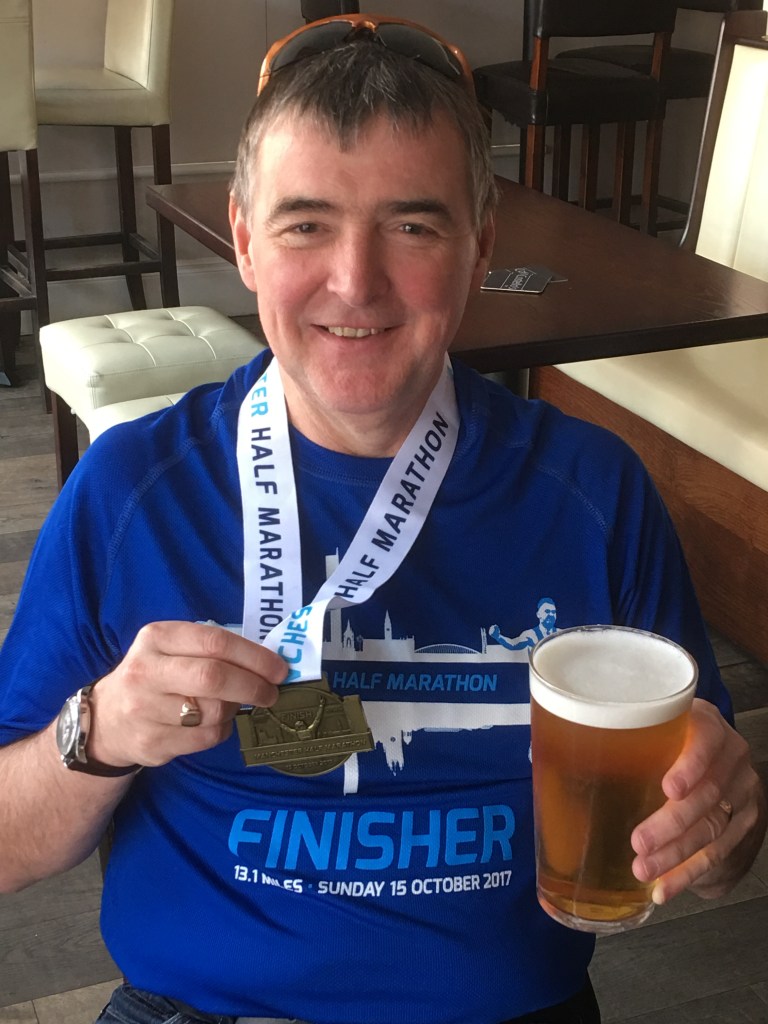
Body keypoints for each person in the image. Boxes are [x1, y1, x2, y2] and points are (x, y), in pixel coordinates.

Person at [0, 15, 765, 1024]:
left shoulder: (595, 490)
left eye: (413, 226)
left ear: (481, 246)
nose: (355, 282)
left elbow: (715, 832)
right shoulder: (131, 490)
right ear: (244, 240)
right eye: (305, 224)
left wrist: (724, 818)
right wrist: (95, 732)